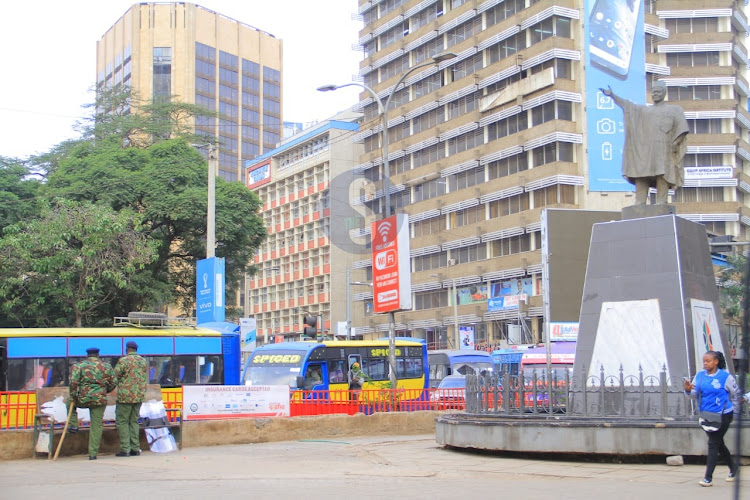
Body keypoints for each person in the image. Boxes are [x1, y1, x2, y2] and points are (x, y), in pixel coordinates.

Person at [600, 81, 689, 205]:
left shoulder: (675, 110)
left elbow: (682, 129)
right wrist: (613, 96)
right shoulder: (644, 111)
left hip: (664, 149)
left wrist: (676, 142)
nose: (655, 94)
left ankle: (661, 201)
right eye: (653, 92)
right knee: (641, 174)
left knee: (662, 174)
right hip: (645, 150)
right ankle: (640, 201)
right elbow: (628, 106)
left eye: (658, 92)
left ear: (664, 93)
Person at [683, 351, 739, 487]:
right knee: (718, 443)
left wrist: (735, 413)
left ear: (716, 362)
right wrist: (688, 390)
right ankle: (734, 468)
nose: (705, 363)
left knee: (713, 443)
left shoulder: (725, 377)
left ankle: (708, 478)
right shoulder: (700, 376)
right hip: (707, 415)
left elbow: (737, 394)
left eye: (708, 361)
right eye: (704, 361)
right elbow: (694, 395)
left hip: (724, 414)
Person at [68, 347, 116, 460]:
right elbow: (113, 382)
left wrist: (74, 397)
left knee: (67, 402)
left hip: (83, 398)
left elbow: (73, 382)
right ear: (98, 355)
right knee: (96, 425)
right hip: (100, 399)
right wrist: (104, 391)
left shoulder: (78, 366)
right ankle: (93, 453)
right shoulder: (106, 366)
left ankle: (74, 425)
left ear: (87, 355)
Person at [114, 341, 148, 457]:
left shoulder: (124, 360)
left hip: (125, 396)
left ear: (127, 349)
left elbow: (115, 376)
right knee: (134, 421)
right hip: (139, 396)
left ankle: (125, 449)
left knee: (122, 421)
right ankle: (135, 448)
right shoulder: (143, 361)